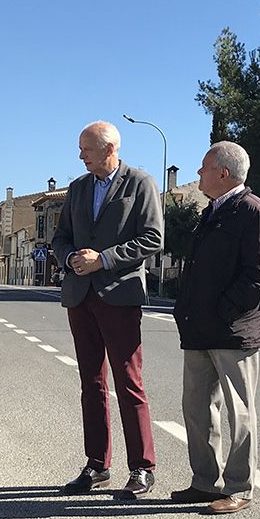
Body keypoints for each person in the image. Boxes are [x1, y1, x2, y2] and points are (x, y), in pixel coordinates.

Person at [52, 120, 163, 498]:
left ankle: (142, 468)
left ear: (109, 149)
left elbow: (153, 237)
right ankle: (97, 465)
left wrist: (105, 259)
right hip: (80, 296)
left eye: (86, 148)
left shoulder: (140, 183)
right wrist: (70, 259)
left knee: (129, 383)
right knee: (91, 384)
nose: (80, 155)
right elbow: (61, 237)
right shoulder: (79, 187)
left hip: (120, 294)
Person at [170, 141, 260, 514]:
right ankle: (204, 483)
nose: (197, 174)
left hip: (233, 331)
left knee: (240, 413)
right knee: (197, 408)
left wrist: (222, 311)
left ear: (222, 173)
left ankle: (239, 488)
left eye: (203, 168)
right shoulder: (214, 211)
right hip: (199, 329)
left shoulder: (253, 212)